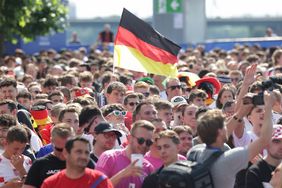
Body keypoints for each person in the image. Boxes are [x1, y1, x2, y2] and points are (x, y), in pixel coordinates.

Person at [187, 91, 275, 188]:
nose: (227, 127)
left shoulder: (193, 151)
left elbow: (220, 132)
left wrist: (240, 113)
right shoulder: (229, 159)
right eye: (224, 125)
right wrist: (268, 107)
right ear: (220, 132)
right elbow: (264, 139)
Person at [95, 120, 155, 188]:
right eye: (140, 140)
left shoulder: (149, 168)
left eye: (149, 142)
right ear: (130, 138)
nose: (144, 145)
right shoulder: (109, 157)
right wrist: (123, 174)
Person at [41, 137, 113, 188]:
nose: (83, 156)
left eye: (86, 153)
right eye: (79, 152)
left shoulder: (101, 181)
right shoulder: (51, 183)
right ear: (66, 153)